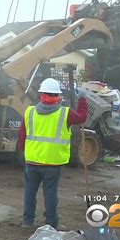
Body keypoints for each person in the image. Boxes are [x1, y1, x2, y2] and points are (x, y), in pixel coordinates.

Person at [18, 78, 88, 229]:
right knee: (50, 193)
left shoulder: (29, 112)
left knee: (30, 192)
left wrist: (28, 152)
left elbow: (22, 137)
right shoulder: (65, 113)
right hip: (52, 163)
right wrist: (82, 99)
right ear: (57, 96)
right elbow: (82, 118)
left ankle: (27, 221)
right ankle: (50, 222)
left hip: (32, 161)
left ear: (41, 94)